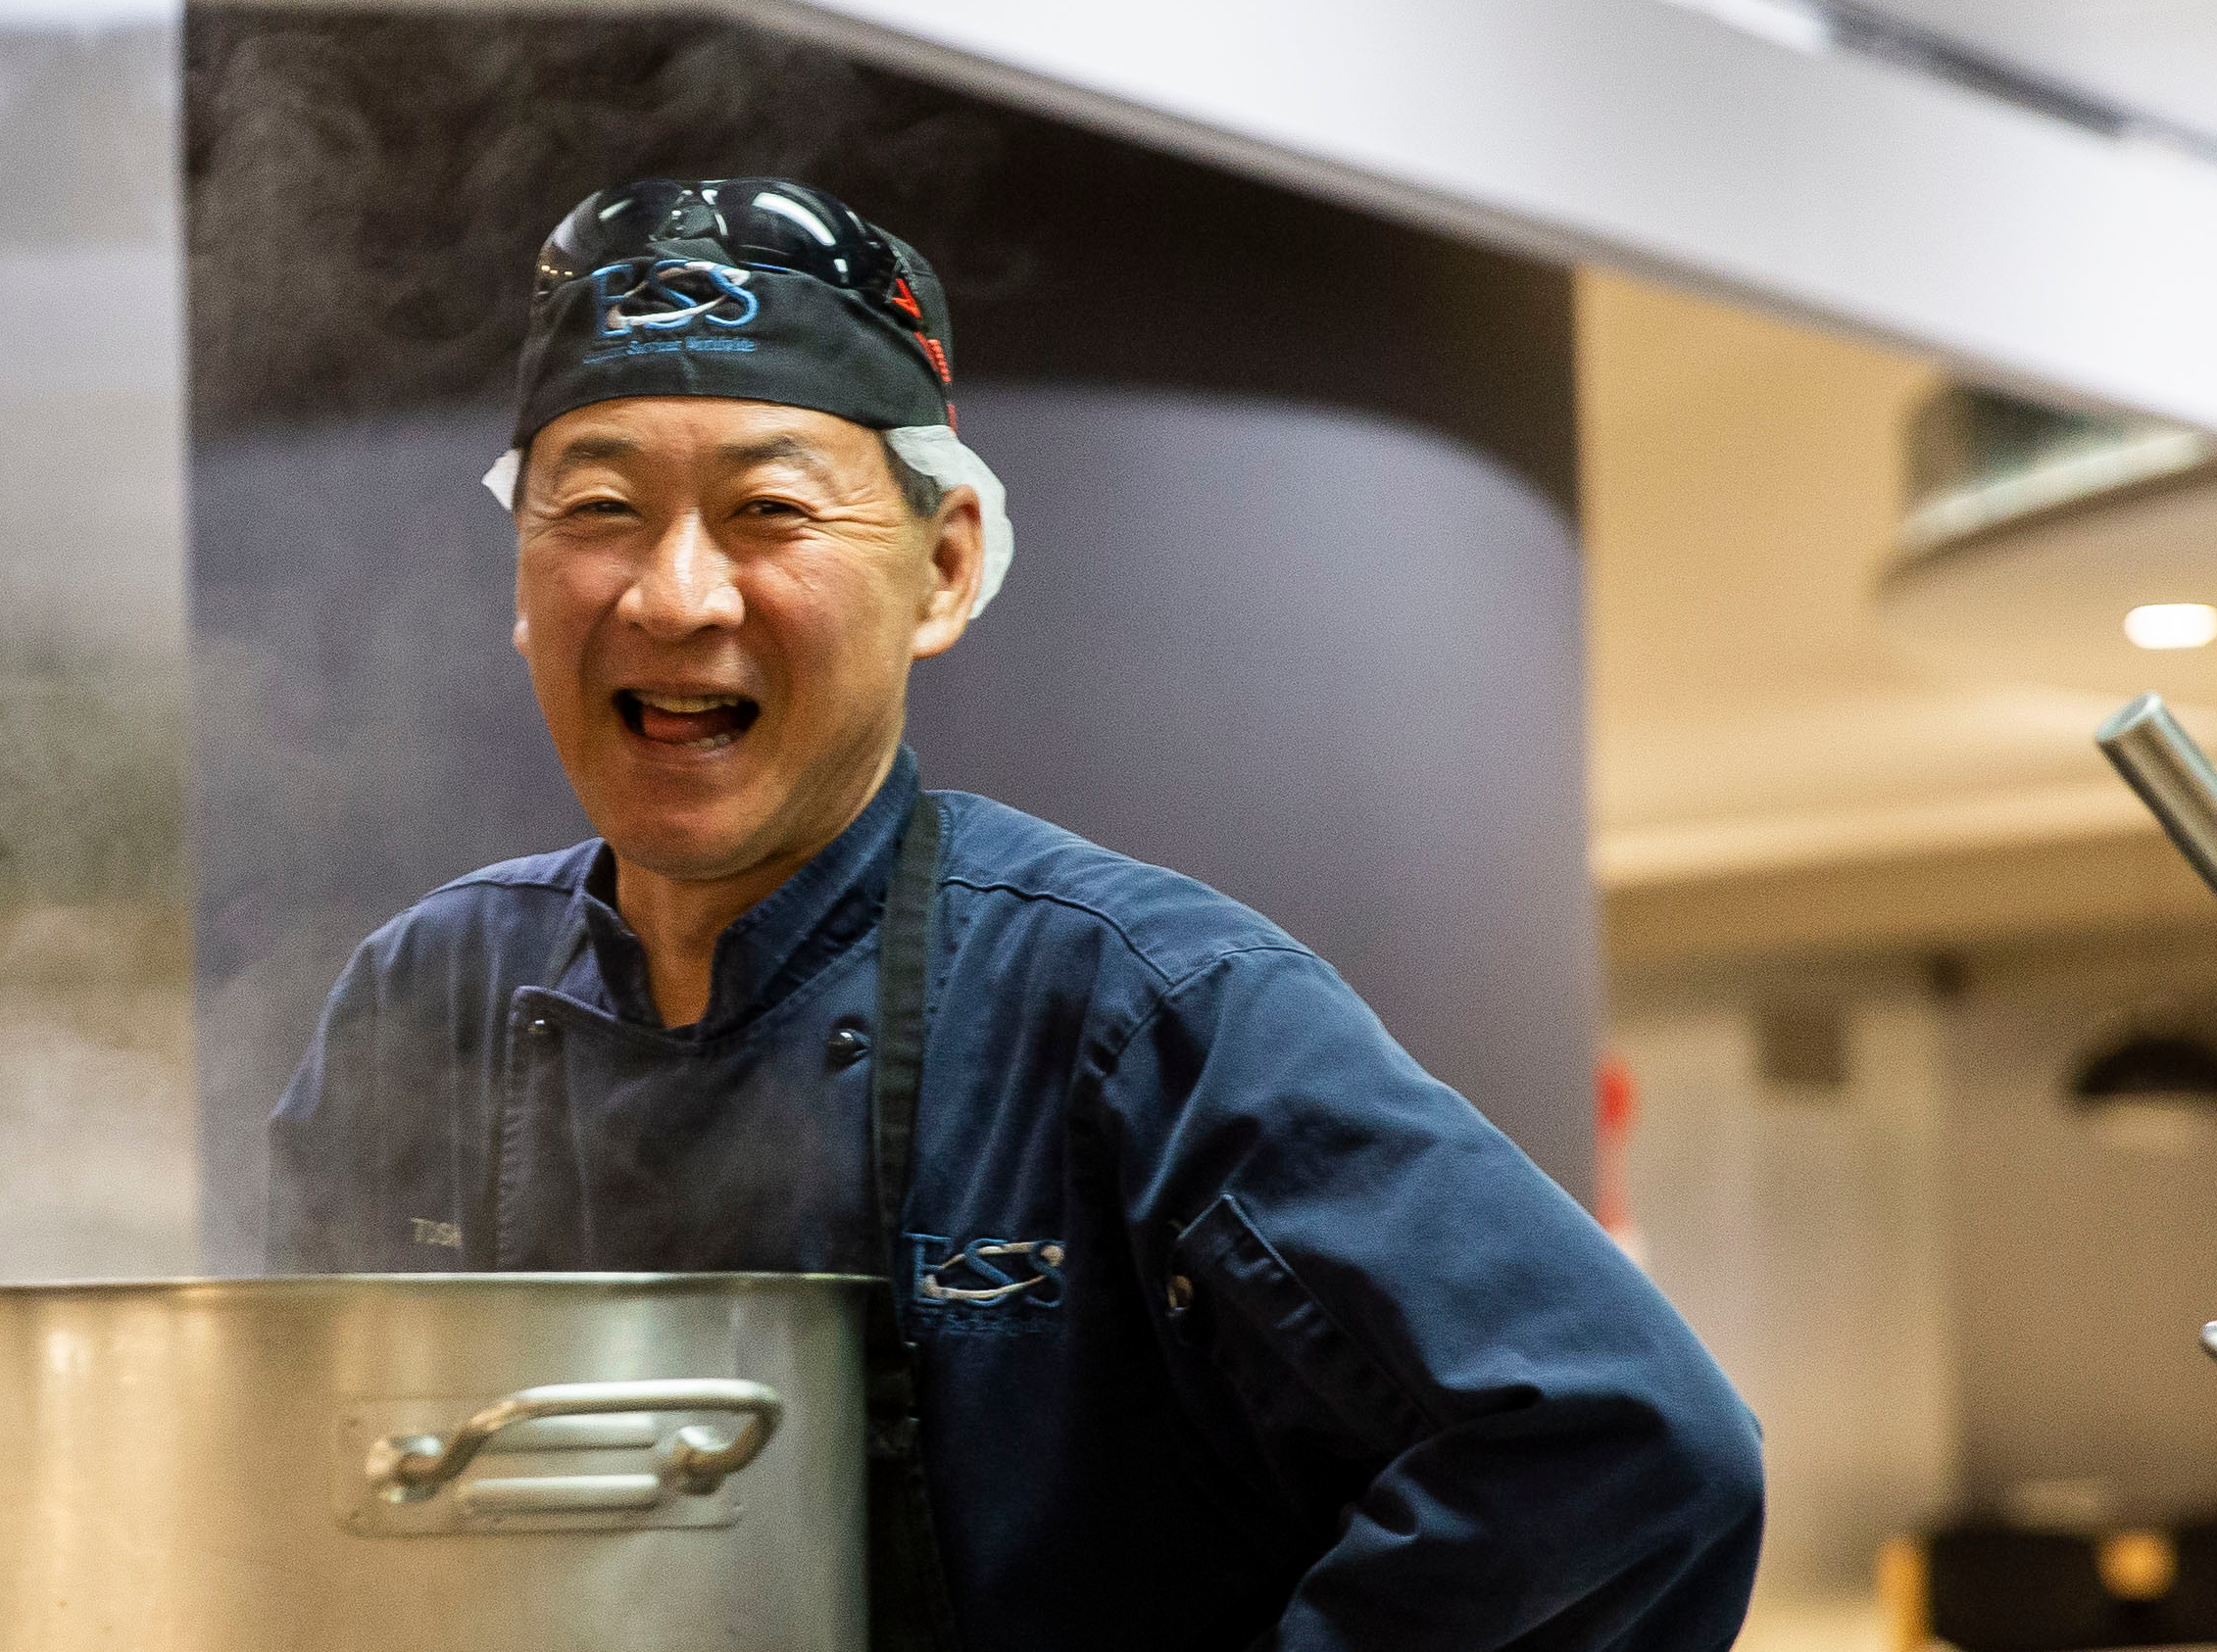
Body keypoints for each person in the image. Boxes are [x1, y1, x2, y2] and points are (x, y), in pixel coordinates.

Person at [269, 177, 1765, 1650]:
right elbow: (307, 1502)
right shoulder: (425, 999)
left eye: (767, 509)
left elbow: (1624, 1451)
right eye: (596, 506)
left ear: (943, 567)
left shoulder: (1141, 1005)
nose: (675, 595)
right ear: (523, 575)